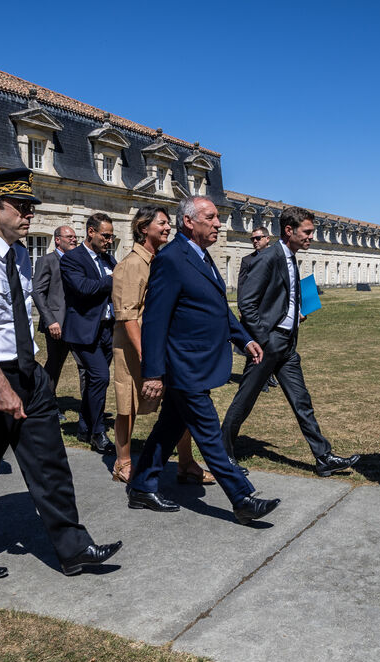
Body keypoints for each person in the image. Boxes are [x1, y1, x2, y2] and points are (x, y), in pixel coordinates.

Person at [0, 168, 120, 578]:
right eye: (21, 206)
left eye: (30, 207)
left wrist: (28, 377)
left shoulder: (19, 254)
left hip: (28, 371)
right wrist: (1, 388)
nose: (29, 214)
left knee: (50, 461)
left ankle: (74, 548)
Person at [124, 196, 280, 524]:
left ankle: (141, 485)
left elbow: (217, 307)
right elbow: (154, 320)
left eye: (217, 217)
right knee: (209, 432)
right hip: (185, 366)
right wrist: (153, 373)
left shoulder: (201, 255)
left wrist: (244, 338)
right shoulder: (171, 259)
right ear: (189, 221)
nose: (219, 223)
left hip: (199, 362)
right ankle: (241, 497)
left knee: (169, 427)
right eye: (210, 217)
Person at [223, 206, 360, 477]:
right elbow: (246, 303)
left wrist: (294, 314)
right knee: (245, 400)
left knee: (302, 401)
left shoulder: (291, 258)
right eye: (307, 232)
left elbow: (281, 297)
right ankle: (222, 454)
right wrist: (264, 338)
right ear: (289, 230)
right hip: (269, 344)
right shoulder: (268, 258)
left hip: (287, 345)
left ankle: (323, 457)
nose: (311, 236)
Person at [110, 205, 212, 485]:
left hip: (163, 346)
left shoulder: (161, 260)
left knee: (179, 404)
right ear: (144, 228)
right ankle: (123, 463)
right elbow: (128, 317)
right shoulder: (131, 265)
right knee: (127, 405)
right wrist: (148, 358)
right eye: (162, 223)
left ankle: (186, 464)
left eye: (168, 224)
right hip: (134, 347)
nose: (168, 228)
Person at [60, 213, 117, 454]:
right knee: (101, 377)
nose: (109, 241)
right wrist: (113, 279)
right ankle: (98, 432)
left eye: (111, 236)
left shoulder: (109, 259)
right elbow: (83, 288)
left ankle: (84, 427)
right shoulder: (72, 259)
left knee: (96, 381)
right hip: (84, 331)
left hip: (107, 329)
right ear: (91, 232)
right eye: (106, 236)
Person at [31, 224, 82, 422]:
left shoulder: (78, 260)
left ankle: (89, 410)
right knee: (54, 364)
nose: (74, 239)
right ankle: (47, 404)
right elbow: (38, 292)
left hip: (77, 323)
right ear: (58, 240)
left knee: (85, 365)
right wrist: (50, 320)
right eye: (69, 237)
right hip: (57, 325)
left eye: (75, 237)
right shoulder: (47, 261)